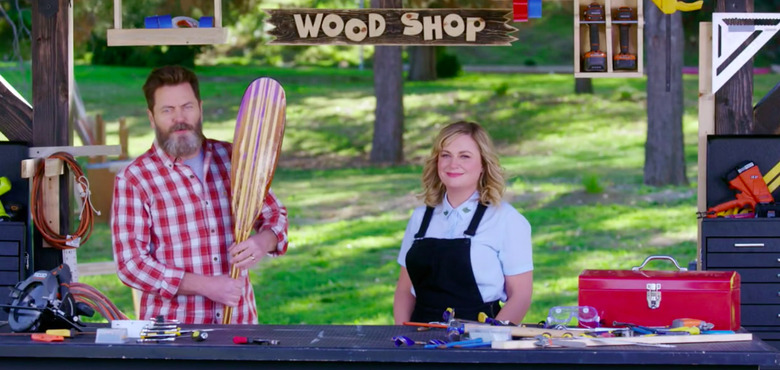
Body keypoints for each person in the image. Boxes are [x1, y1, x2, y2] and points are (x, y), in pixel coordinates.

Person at [111, 65, 289, 324]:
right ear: (151, 117)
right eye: (167, 110)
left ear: (200, 108)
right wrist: (206, 286)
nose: (179, 118)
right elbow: (132, 265)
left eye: (187, 107)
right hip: (173, 335)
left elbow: (276, 215)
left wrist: (263, 242)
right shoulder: (135, 179)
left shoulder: (233, 159)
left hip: (238, 326)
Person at [393, 121, 533, 325]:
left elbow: (520, 296)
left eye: (465, 156)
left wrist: (486, 342)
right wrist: (402, 340)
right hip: (419, 341)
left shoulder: (507, 220)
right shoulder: (420, 218)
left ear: (483, 165)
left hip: (479, 341)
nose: (453, 164)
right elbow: (405, 291)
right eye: (446, 155)